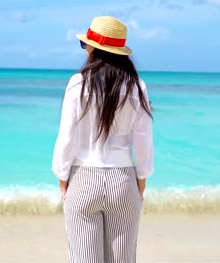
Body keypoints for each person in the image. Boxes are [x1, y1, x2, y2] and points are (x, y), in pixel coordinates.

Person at [52, 16, 154, 262]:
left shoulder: (78, 83)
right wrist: (141, 177)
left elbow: (67, 136)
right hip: (122, 180)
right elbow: (143, 138)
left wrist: (62, 176)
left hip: (83, 180)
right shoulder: (136, 85)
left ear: (94, 48)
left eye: (86, 44)